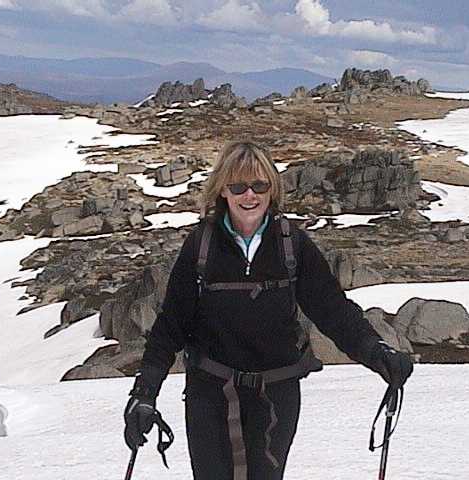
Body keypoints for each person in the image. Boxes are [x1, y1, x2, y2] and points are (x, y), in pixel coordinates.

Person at [123, 141, 413, 480]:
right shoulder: (201, 246)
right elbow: (171, 324)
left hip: (276, 395)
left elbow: (332, 309)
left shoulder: (291, 244)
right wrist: (144, 392)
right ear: (223, 191)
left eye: (259, 185)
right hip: (210, 395)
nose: (250, 195)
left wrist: (375, 352)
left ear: (272, 189)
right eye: (238, 186)